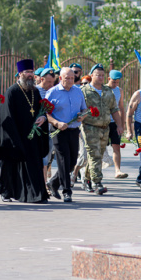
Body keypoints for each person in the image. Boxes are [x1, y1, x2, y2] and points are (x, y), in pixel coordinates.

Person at [0, 59, 49, 203]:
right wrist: (15, 137)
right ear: (20, 74)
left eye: (32, 72)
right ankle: (7, 192)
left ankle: (35, 194)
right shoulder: (12, 91)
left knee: (34, 164)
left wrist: (42, 118)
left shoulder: (35, 91)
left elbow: (39, 110)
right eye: (27, 72)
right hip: (15, 135)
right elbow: (6, 116)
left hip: (32, 135)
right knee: (11, 163)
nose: (30, 75)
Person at [45, 67, 87, 202]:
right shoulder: (52, 92)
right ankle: (67, 191)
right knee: (63, 160)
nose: (70, 80)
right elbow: (45, 113)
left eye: (72, 78)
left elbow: (84, 109)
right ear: (61, 78)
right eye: (67, 78)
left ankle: (53, 183)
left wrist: (82, 116)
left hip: (74, 130)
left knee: (72, 162)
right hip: (59, 131)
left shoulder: (78, 91)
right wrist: (56, 123)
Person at [79, 64, 122, 195]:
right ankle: (97, 183)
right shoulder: (83, 90)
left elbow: (114, 109)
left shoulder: (108, 91)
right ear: (92, 75)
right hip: (89, 127)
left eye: (103, 75)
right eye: (98, 75)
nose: (101, 77)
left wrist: (120, 126)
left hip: (105, 128)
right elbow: (79, 109)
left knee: (98, 155)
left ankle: (86, 179)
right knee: (94, 154)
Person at [36, 67, 57, 185]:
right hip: (38, 129)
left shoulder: (55, 91)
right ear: (41, 79)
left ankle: (44, 184)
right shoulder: (35, 91)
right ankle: (42, 184)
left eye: (52, 82)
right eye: (48, 82)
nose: (51, 84)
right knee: (42, 158)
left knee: (47, 158)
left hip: (52, 129)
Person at [106, 69, 128, 179]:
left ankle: (117, 170)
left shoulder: (119, 90)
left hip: (115, 123)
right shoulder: (103, 89)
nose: (115, 84)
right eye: (113, 81)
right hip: (104, 123)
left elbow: (121, 108)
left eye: (117, 82)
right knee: (100, 149)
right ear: (108, 79)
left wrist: (122, 125)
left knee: (116, 147)